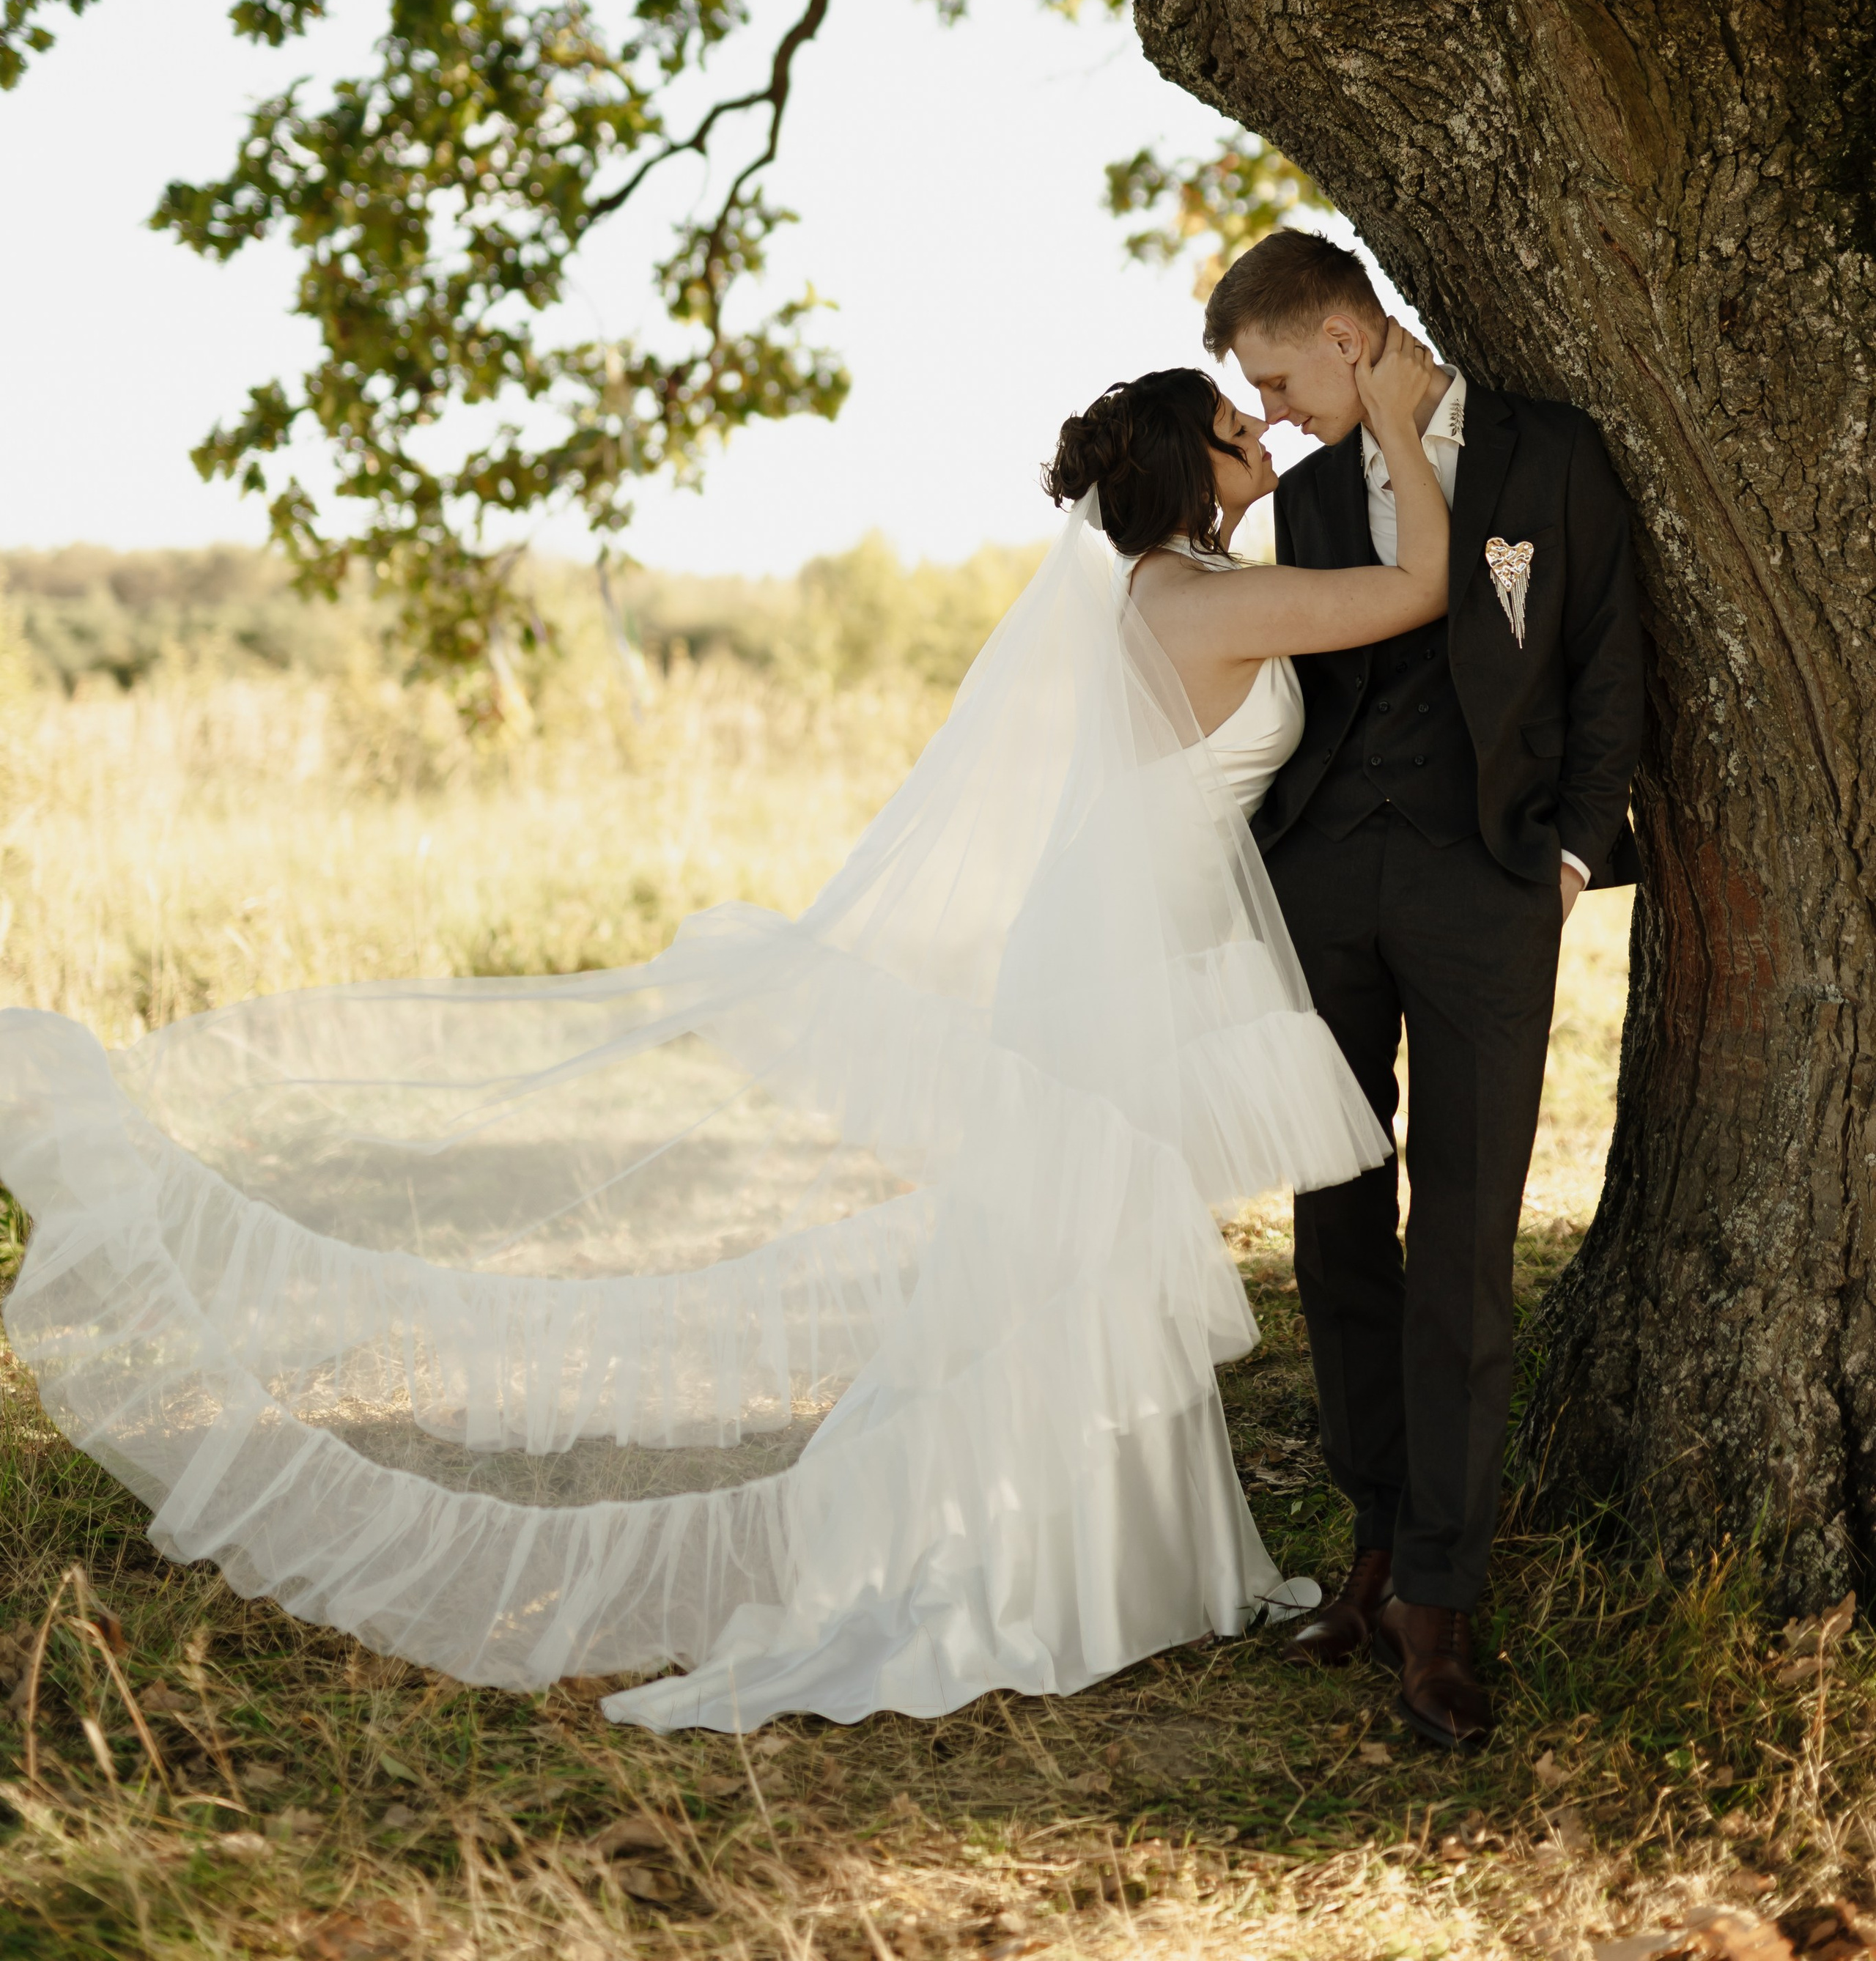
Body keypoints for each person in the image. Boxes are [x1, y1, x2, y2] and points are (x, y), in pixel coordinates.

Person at [0, 333, 1444, 1735]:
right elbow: (1423, 583)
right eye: (1232, 424)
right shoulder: (1199, 604)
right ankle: (1027, 1581)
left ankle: (1147, 1567)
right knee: (1066, 1271)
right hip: (1118, 968)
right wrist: (1390, 420)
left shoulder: (1176, 584)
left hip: (1136, 954)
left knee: (1088, 1263)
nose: (1259, 433)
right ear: (1185, 473)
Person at [1205, 227, 1644, 1752]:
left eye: (1274, 377)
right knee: (1334, 1223)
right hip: (1323, 881)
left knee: (1461, 1240)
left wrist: (1570, 862)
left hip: (1484, 893)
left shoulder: (1553, 456)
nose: (1267, 414)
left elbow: (1604, 668)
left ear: (1344, 333)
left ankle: (1442, 1613)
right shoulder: (1319, 495)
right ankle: (1374, 1546)